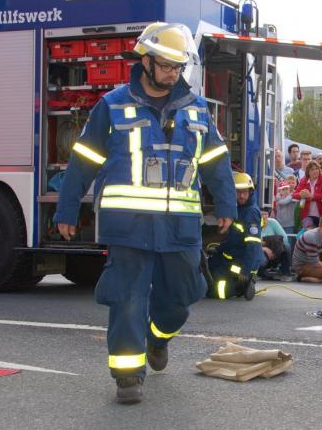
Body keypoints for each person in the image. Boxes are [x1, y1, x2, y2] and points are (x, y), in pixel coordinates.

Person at [54, 22, 237, 404]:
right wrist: (67, 207)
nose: (173, 72)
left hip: (181, 227)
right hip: (127, 226)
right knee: (128, 297)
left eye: (178, 66)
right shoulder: (113, 104)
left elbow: (216, 161)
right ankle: (128, 377)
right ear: (146, 61)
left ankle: (158, 336)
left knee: (184, 295)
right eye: (167, 64)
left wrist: (226, 202)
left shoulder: (197, 108)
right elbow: (84, 159)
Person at [206, 172, 263, 301]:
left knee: (215, 292)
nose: (241, 196)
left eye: (244, 192)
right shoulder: (239, 209)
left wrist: (246, 270)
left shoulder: (250, 213)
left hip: (240, 264)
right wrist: (219, 249)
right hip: (230, 257)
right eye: (238, 192)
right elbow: (234, 239)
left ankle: (243, 285)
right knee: (208, 268)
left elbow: (253, 245)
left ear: (250, 192)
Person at [291, 213, 322, 282]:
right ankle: (302, 277)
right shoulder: (311, 236)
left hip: (313, 261)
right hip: (302, 266)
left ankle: (321, 277)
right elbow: (314, 262)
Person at [293, 160, 322, 227]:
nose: (315, 171)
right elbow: (294, 195)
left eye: (317, 169)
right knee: (308, 234)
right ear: (308, 171)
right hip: (307, 214)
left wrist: (311, 196)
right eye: (312, 169)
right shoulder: (303, 180)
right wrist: (301, 194)